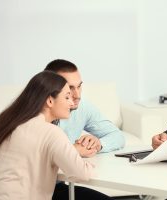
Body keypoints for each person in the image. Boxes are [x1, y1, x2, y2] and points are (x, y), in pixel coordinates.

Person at [0, 71, 100, 199]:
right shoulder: (51, 132)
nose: (71, 103)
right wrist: (88, 153)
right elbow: (82, 174)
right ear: (50, 101)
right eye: (67, 97)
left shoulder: (7, 121)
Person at [45, 59, 124, 200]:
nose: (77, 95)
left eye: (79, 87)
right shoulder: (33, 119)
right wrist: (73, 150)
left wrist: (98, 144)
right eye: (69, 89)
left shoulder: (81, 107)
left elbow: (117, 136)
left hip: (58, 186)